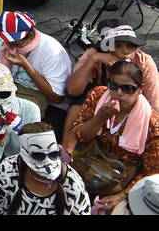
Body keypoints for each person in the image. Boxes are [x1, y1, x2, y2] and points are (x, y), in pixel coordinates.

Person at [68, 60, 159, 212]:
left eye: (128, 88)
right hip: (88, 164)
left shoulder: (153, 125)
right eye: (113, 86)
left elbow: (151, 173)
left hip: (121, 183)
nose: (119, 93)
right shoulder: (97, 96)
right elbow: (79, 135)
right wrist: (100, 118)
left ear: (140, 89)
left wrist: (121, 196)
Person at [0, 11, 73, 117]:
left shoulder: (52, 52)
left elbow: (57, 97)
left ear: (30, 36)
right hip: (4, 84)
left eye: (15, 44)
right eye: (7, 43)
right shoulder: (5, 39)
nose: (9, 47)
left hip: (32, 92)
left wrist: (26, 66)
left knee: (27, 117)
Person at [0, 122, 91, 215]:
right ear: (24, 154)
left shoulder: (73, 184)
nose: (47, 162)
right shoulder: (7, 171)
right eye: (38, 156)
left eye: (53, 154)